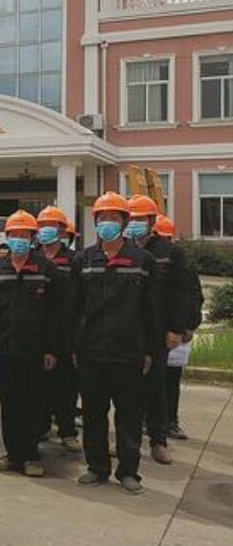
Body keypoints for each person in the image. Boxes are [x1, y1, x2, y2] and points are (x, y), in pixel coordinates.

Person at [72, 192, 159, 494]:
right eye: (102, 218)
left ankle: (128, 471)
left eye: (113, 217)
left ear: (124, 222)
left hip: (129, 352)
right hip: (91, 352)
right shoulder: (83, 260)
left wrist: (150, 351)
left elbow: (151, 310)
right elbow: (74, 307)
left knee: (129, 416)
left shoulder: (143, 261)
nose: (107, 222)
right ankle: (97, 468)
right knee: (93, 415)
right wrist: (74, 347)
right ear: (95, 221)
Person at [0, 210, 64, 478]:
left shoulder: (46, 269)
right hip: (4, 348)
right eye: (14, 234)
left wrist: (53, 348)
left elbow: (56, 313)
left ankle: (32, 456)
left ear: (33, 237)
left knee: (33, 402)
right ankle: (13, 455)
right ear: (7, 237)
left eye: (24, 235)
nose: (19, 239)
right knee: (9, 401)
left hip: (35, 350)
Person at [126, 195, 192, 466]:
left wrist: (177, 329)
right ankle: (126, 440)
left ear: (151, 221)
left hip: (157, 332)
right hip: (128, 332)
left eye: (140, 219)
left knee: (156, 388)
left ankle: (158, 441)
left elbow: (181, 293)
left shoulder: (170, 252)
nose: (134, 223)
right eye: (131, 219)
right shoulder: (122, 250)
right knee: (127, 391)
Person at [36, 206, 81, 450]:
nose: (45, 230)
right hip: (36, 332)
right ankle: (41, 426)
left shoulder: (75, 261)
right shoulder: (31, 259)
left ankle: (67, 431)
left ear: (62, 231)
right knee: (38, 384)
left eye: (51, 225)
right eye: (42, 225)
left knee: (66, 385)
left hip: (65, 332)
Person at [154, 215, 202, 440]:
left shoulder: (181, 262)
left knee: (171, 379)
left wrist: (189, 326)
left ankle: (170, 422)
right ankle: (149, 421)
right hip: (152, 331)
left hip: (175, 331)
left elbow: (192, 295)